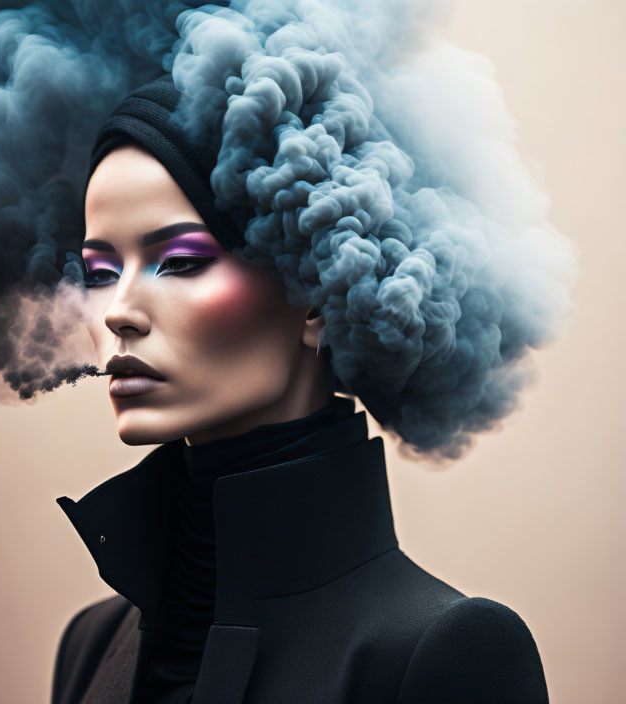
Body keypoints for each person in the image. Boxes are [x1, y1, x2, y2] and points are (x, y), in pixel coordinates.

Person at [49, 77, 549, 704]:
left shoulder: (443, 653)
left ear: (316, 295)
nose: (117, 311)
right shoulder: (90, 645)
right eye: (99, 271)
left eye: (178, 260)